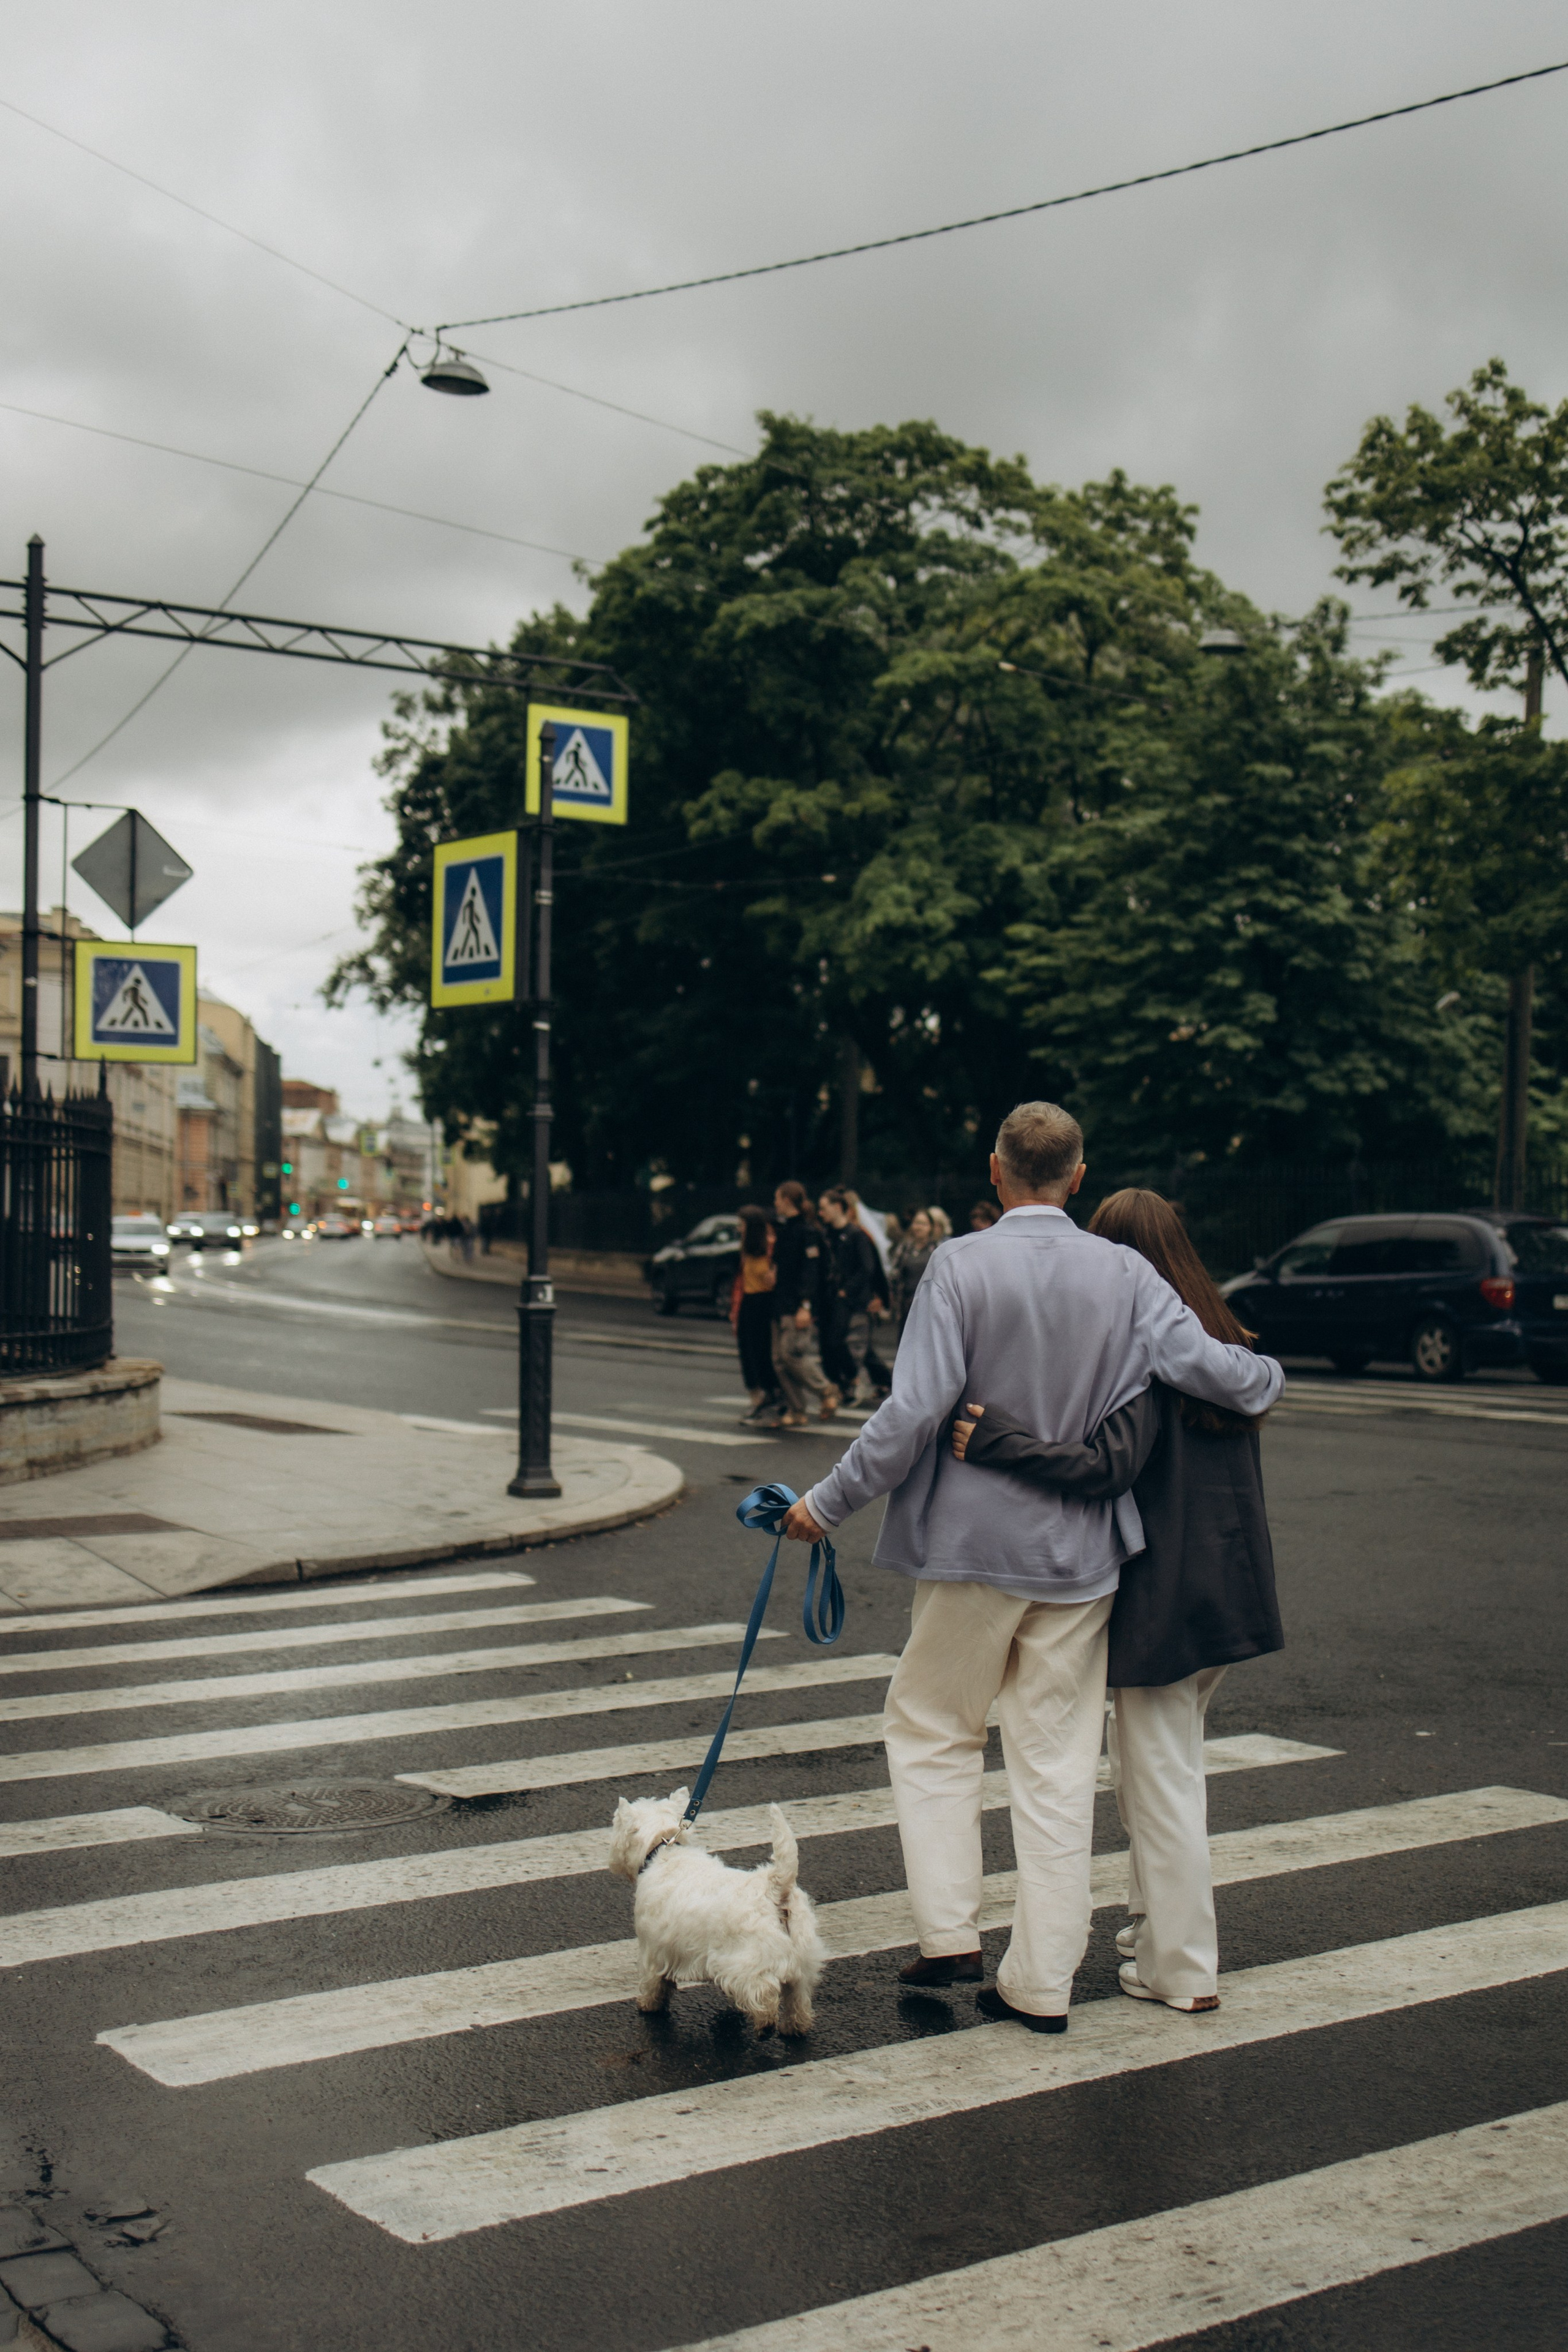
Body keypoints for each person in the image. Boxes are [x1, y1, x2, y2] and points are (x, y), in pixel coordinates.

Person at [782, 1101, 1282, 2033]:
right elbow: (1216, 1370)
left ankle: (949, 1932)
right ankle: (1041, 1982)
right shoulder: (1128, 1273)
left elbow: (915, 1410)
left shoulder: (958, 1266)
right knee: (1055, 1767)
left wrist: (827, 1502)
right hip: (1084, 1561)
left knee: (932, 1725)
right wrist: (1269, 1378)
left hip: (972, 1552)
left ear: (996, 1172)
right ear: (1079, 1178)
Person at [951, 1186, 1282, 2015]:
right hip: (1225, 1592)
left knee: (1160, 1786)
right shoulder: (1223, 1341)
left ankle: (1181, 1967)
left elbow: (1105, 1468)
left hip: (1163, 1597)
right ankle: (1153, 1933)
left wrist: (997, 1441)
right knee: (1163, 1777)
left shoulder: (1150, 1355)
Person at [769, 1183, 839, 1427]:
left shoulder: (807, 1232)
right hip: (780, 1303)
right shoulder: (785, 1230)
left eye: (778, 1198)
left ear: (788, 1200)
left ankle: (826, 1389)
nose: (775, 1203)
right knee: (779, 1360)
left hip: (796, 1305)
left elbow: (811, 1273)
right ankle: (797, 1410)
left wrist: (806, 1306)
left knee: (791, 1355)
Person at [819, 1188, 892, 1405]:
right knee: (849, 1345)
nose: (820, 1213)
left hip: (852, 1300)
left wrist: (849, 1291)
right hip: (833, 1299)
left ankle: (852, 1381)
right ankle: (859, 1382)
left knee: (845, 1343)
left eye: (824, 1208)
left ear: (838, 1207)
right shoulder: (827, 1235)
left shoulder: (857, 1235)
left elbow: (869, 1268)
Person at [732, 1205, 779, 1423]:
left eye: (742, 1224)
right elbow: (741, 1281)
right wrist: (735, 1311)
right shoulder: (746, 1249)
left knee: (763, 1352)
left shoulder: (770, 1247)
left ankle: (770, 1395)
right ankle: (756, 1397)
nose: (739, 1228)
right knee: (746, 1351)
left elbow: (775, 1279)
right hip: (748, 1301)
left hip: (764, 1302)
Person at [889, 1208, 938, 1341]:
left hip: (929, 1306)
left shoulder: (936, 1249)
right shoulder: (905, 1248)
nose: (919, 1227)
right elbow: (893, 1274)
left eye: (923, 1223)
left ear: (931, 1227)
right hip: (906, 1304)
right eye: (916, 1223)